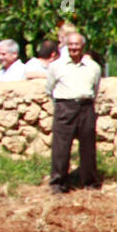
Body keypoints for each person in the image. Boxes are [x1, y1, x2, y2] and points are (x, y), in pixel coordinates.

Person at [45, 32, 102, 194]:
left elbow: (95, 88)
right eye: (70, 44)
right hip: (65, 107)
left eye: (76, 44)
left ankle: (90, 183)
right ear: (65, 46)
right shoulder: (56, 66)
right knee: (61, 147)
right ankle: (58, 183)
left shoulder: (93, 67)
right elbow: (49, 88)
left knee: (88, 146)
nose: (73, 48)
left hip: (86, 107)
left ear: (83, 46)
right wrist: (62, 104)